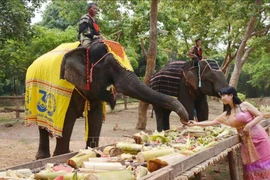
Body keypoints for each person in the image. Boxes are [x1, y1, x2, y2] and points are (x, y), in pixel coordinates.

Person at [188, 86, 270, 179]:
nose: (222, 98)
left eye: (223, 95)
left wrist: (248, 125)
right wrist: (196, 124)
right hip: (246, 142)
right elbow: (213, 122)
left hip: (260, 139)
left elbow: (259, 115)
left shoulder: (245, 105)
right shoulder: (228, 113)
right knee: (251, 166)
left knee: (264, 164)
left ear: (231, 95)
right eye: (221, 96)